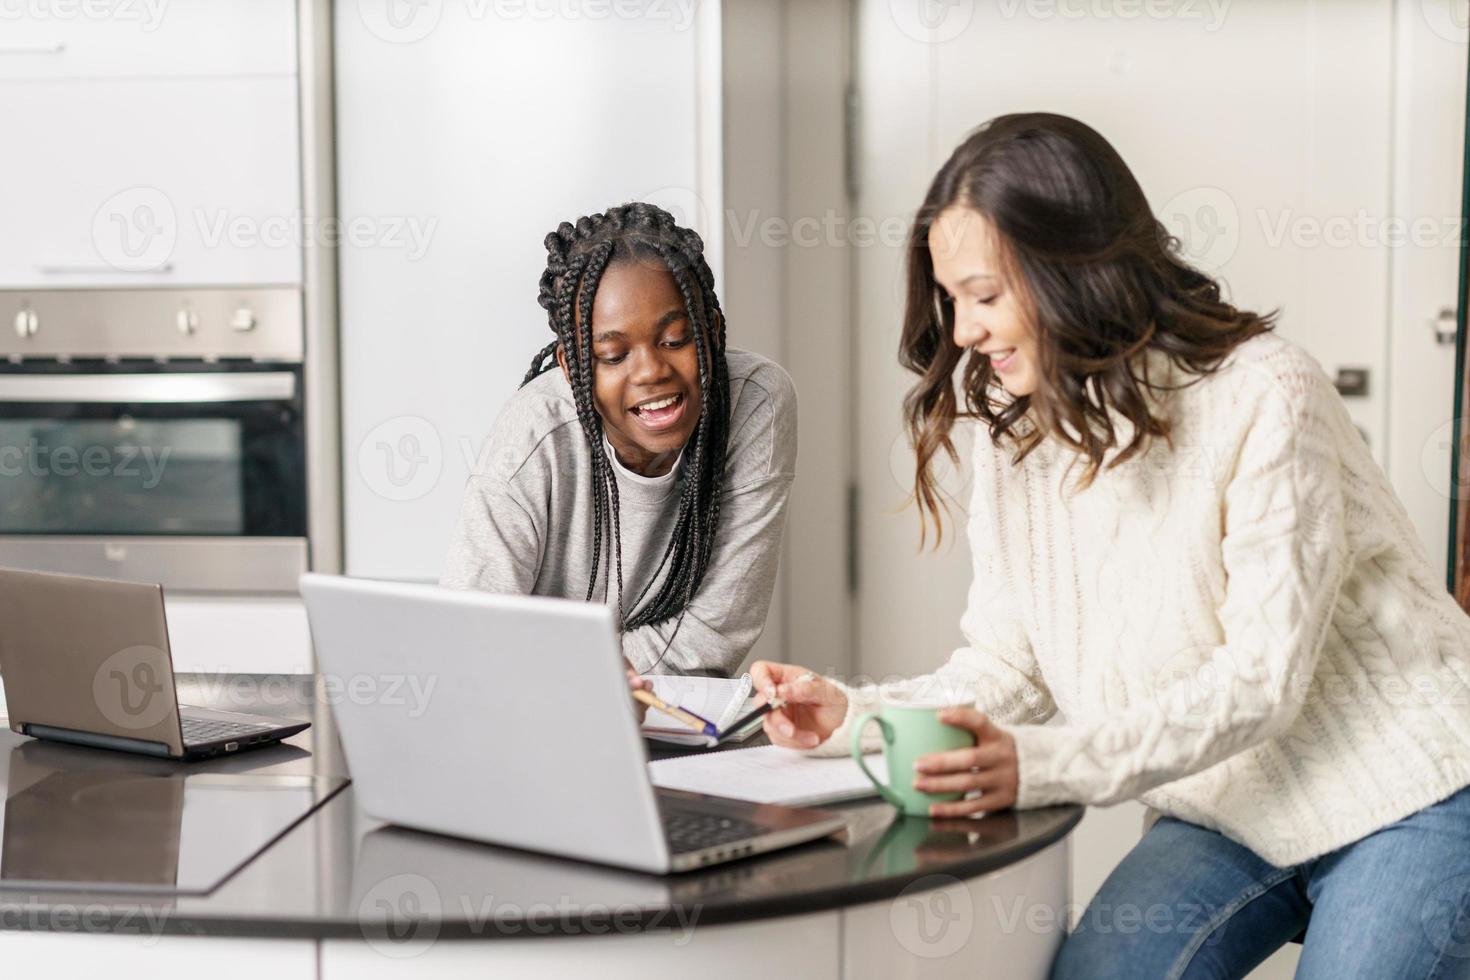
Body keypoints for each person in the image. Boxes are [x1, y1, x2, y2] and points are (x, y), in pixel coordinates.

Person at [753, 113, 1470, 978]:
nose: (964, 331)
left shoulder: (1266, 390)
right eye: (951, 300)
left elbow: (1262, 682)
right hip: (1236, 806)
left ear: (1073, 270)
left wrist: (1042, 765)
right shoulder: (1013, 435)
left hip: (1411, 791)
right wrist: (854, 719)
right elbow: (1006, 668)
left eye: (984, 295)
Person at [443, 202, 796, 684]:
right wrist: (584, 684)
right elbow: (470, 641)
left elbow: (712, 637)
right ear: (574, 368)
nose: (651, 371)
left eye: (675, 340)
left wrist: (564, 670)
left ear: (712, 333)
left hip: (674, 724)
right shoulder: (533, 436)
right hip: (536, 718)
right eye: (613, 355)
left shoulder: (755, 402)